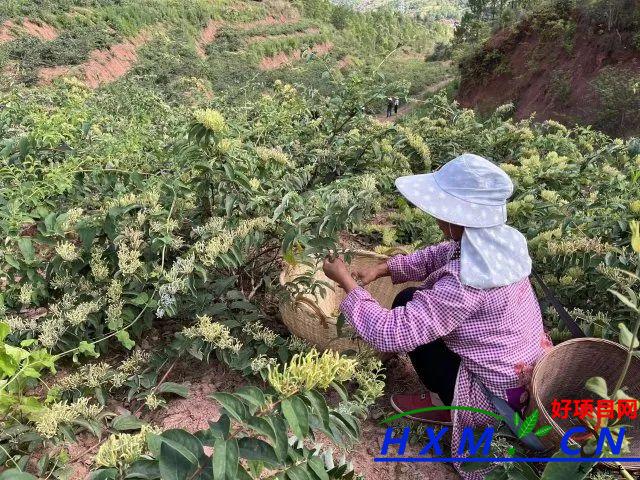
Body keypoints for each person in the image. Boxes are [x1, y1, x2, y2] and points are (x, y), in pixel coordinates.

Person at [323, 153, 547, 480]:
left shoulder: (465, 283)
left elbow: (392, 332)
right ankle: (449, 394)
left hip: (494, 399)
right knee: (410, 297)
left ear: (460, 219)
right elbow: (441, 254)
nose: (438, 219)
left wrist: (344, 281)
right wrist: (386, 267)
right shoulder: (500, 244)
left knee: (406, 309)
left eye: (444, 212)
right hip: (519, 372)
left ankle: (450, 405)